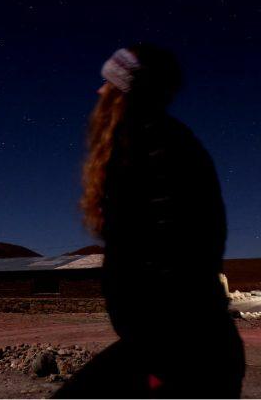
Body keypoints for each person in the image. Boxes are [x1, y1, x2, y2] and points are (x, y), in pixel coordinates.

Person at [56, 44, 244, 399]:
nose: (98, 90)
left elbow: (176, 255)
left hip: (180, 352)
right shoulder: (146, 143)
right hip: (171, 346)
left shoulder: (155, 147)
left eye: (107, 82)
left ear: (125, 90)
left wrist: (162, 365)